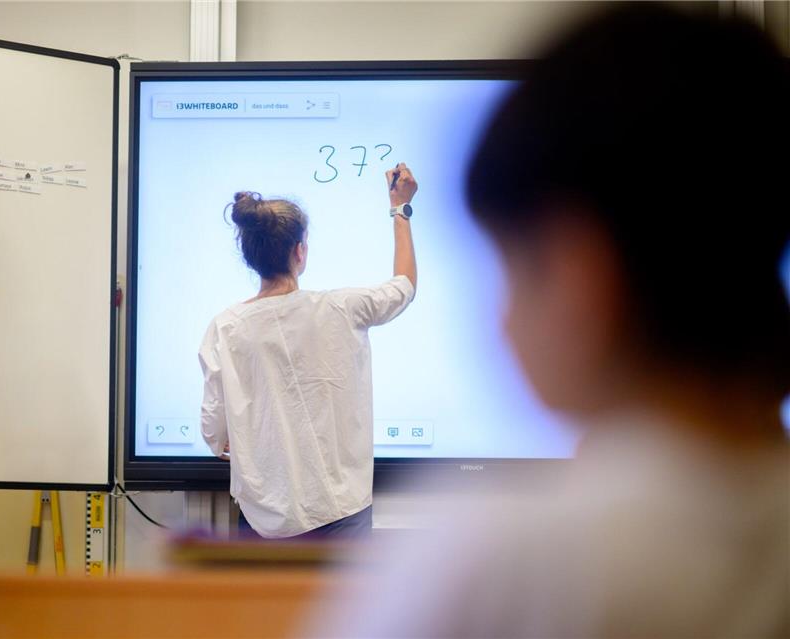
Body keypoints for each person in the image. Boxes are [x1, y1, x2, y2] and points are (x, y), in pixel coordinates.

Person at [310, 5, 789, 637]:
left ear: (582, 272)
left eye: (514, 269)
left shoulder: (497, 567)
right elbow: (400, 287)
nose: (504, 322)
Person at [198, 164, 419, 539]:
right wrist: (400, 208)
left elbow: (214, 435)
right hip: (341, 515)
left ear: (250, 256)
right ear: (300, 251)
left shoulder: (226, 327)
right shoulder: (342, 308)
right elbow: (404, 287)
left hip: (261, 522)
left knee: (268, 601)